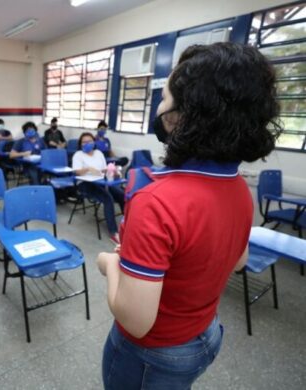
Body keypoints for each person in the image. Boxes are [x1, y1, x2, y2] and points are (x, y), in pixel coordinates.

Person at [97, 42, 280, 389]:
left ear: (178, 116)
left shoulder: (155, 198)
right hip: (205, 336)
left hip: (154, 354)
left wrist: (110, 264)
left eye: (163, 99)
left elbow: (136, 321)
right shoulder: (238, 186)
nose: (160, 107)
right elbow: (239, 261)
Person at [72, 133, 124, 245]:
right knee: (108, 199)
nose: (87, 144)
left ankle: (127, 225)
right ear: (80, 144)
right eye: (84, 142)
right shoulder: (78, 155)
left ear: (94, 142)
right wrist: (88, 168)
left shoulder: (99, 153)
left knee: (122, 195)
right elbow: (76, 172)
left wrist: (113, 170)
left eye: (89, 141)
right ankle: (114, 233)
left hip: (101, 181)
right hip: (85, 184)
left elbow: (104, 169)